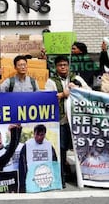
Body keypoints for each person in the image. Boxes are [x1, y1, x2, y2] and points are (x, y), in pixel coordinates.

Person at [44, 55, 91, 187]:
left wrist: (76, 88)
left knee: (81, 147)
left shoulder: (76, 78)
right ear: (56, 67)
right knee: (62, 148)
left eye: (65, 65)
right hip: (62, 121)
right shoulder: (51, 81)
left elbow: (89, 92)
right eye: (60, 65)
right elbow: (49, 99)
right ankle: (61, 177)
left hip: (78, 120)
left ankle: (83, 176)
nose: (63, 67)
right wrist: (63, 94)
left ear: (68, 66)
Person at [18, 124, 58, 192]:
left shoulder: (49, 146)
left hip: (45, 179)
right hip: (31, 179)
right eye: (37, 135)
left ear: (45, 134)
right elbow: (22, 164)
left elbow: (54, 163)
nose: (39, 137)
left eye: (41, 135)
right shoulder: (27, 145)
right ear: (34, 134)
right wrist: (23, 182)